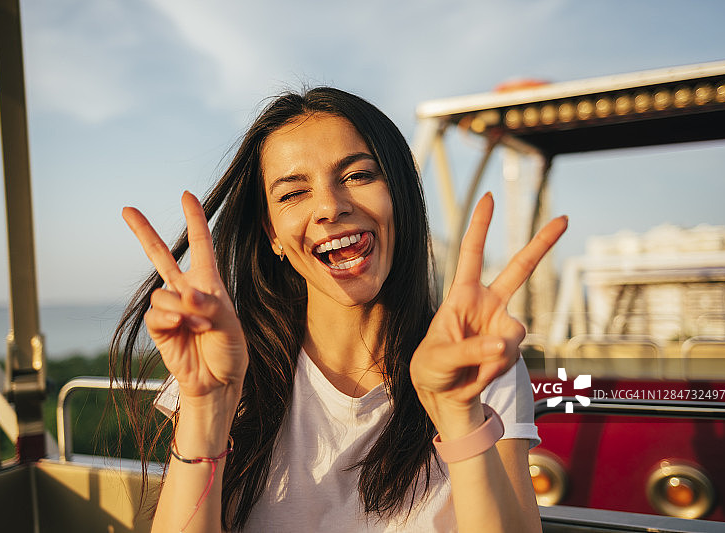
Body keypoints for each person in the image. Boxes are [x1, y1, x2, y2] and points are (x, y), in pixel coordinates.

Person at [111, 87, 567, 532]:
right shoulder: (222, 363)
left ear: (400, 196)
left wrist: (458, 415)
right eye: (293, 193)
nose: (330, 206)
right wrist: (207, 407)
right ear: (273, 234)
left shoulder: (478, 361)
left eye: (358, 175)